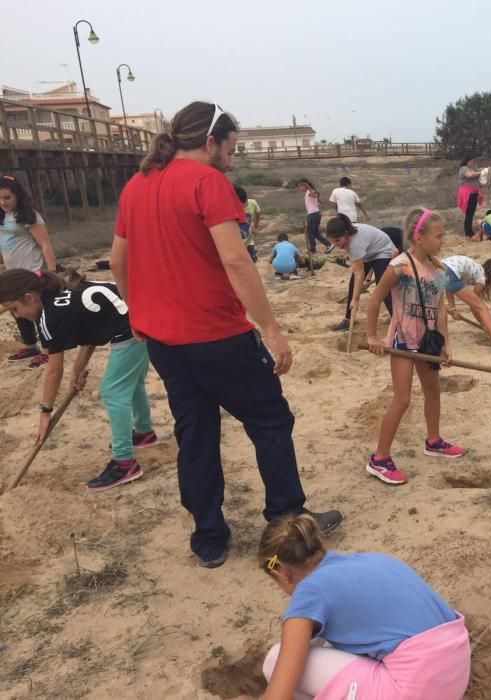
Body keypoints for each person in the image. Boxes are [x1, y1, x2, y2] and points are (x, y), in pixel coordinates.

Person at [110, 101, 342, 568]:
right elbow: (236, 261)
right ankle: (286, 518)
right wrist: (272, 330)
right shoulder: (208, 183)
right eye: (231, 148)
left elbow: (119, 259)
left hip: (164, 341)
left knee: (195, 433)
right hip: (217, 333)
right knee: (270, 420)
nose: (232, 159)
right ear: (210, 142)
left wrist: (136, 309)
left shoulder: (136, 185)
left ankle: (208, 537)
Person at [257, 513, 470, 700]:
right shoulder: (371, 559)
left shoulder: (308, 591)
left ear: (280, 573)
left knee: (275, 661)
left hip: (415, 690)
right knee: (324, 644)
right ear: (318, 544)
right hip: (455, 674)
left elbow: (279, 695)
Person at [0, 268, 157, 491]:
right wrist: (78, 369)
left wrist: (45, 411)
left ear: (29, 297)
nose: (17, 315)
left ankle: (125, 464)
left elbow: (54, 370)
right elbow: (90, 333)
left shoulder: (50, 317)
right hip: (143, 315)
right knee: (130, 382)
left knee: (113, 390)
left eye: (14, 309)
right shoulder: (63, 292)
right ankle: (144, 433)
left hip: (133, 328)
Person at [365, 208, 465, 486]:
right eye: (438, 236)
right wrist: (372, 336)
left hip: (428, 341)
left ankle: (433, 441)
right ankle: (380, 459)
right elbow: (375, 301)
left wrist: (444, 342)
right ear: (418, 237)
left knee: (433, 392)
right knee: (403, 399)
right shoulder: (400, 266)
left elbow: (441, 307)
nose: (442, 240)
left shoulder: (439, 269)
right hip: (403, 341)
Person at [0, 175, 56, 368]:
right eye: (0, 198)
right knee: (17, 310)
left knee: (37, 310)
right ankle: (30, 346)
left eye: (7, 197)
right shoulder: (2, 216)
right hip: (12, 272)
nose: (3, 202)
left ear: (17, 196)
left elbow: (45, 244)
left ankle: (47, 350)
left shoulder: (28, 215)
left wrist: (51, 271)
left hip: (32, 270)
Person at [326, 214, 396, 332]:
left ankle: (398, 321)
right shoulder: (344, 237)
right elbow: (357, 274)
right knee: (353, 284)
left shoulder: (355, 244)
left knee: (382, 287)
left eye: (338, 241)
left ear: (347, 234)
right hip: (368, 252)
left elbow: (360, 273)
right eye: (333, 242)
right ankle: (348, 320)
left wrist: (356, 299)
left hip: (382, 250)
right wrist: (355, 295)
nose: (337, 245)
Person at [442, 256, 491, 356]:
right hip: (449, 272)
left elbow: (449, 286)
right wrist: (484, 325)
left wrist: (452, 308)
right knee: (482, 307)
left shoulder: (474, 270)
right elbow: (475, 307)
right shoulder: (482, 276)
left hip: (439, 268)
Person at [297, 178, 333, 254]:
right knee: (315, 232)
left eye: (300, 186)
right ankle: (328, 244)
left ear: (305, 185)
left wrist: (309, 187)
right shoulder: (310, 191)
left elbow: (313, 196)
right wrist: (318, 200)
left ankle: (313, 250)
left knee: (310, 232)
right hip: (316, 213)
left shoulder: (310, 191)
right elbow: (317, 199)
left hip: (313, 214)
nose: (299, 188)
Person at [456, 156, 483, 240]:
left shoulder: (471, 169)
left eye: (472, 162)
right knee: (469, 214)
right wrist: (481, 172)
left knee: (471, 213)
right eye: (470, 162)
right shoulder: (463, 168)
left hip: (474, 193)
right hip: (468, 194)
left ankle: (469, 231)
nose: (472, 163)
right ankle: (469, 232)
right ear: (466, 162)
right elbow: (469, 175)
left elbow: (475, 179)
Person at [233, 185, 260, 262]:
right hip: (234, 245)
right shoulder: (226, 211)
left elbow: (258, 213)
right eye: (241, 206)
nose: (245, 206)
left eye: (246, 203)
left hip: (248, 242)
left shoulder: (252, 203)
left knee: (252, 262)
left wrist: (256, 227)